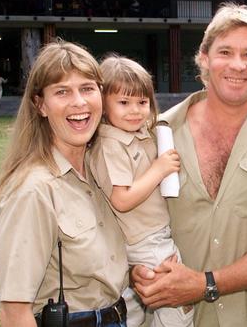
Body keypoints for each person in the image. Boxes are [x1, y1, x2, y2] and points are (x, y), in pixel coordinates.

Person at [131, 3, 247, 326]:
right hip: (169, 318)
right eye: (225, 52)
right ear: (203, 58)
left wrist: (206, 284)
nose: (237, 65)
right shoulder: (157, 134)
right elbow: (126, 217)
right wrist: (136, 268)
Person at [0, 40, 129, 327]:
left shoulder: (101, 172)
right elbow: (14, 314)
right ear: (40, 105)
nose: (79, 102)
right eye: (62, 92)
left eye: (88, 88)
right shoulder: (33, 190)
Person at [88, 56, 193, 327]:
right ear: (103, 104)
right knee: (176, 303)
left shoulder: (138, 133)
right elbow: (121, 199)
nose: (135, 111)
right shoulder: (111, 144)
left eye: (142, 102)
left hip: (153, 234)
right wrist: (159, 169)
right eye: (124, 103)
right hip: (146, 240)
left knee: (139, 309)